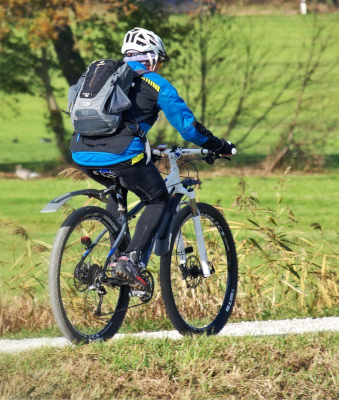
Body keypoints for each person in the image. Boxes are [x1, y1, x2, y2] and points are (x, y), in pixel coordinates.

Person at [70, 27, 236, 290]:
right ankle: (130, 260)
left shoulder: (103, 79)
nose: (159, 66)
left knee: (118, 188)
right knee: (157, 199)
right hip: (123, 155)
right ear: (151, 58)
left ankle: (116, 261)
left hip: (81, 153)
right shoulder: (156, 83)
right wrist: (219, 146)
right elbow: (188, 128)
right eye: (159, 61)